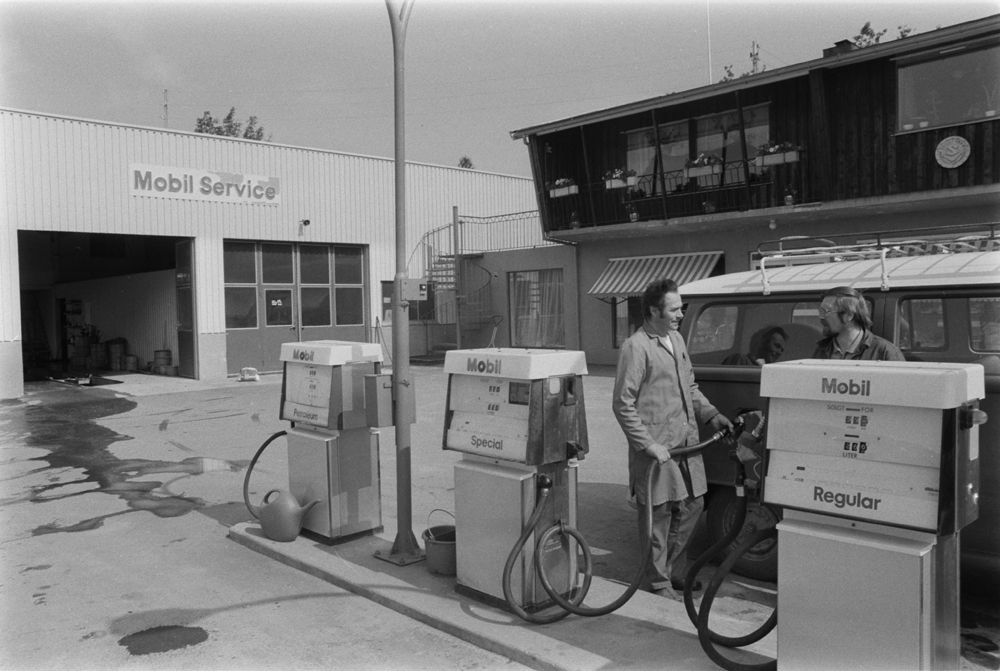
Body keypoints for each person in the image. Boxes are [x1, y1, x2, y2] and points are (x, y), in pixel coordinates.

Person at [612, 278, 733, 598]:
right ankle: (658, 581)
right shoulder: (636, 347)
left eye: (682, 308)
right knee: (659, 514)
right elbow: (622, 403)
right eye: (675, 309)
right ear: (654, 311)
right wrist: (647, 444)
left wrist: (711, 414)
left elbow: (690, 387)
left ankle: (674, 571)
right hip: (656, 448)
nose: (681, 314)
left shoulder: (676, 340)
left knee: (693, 504)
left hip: (686, 441)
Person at [812, 286, 904, 360]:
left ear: (848, 315)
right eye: (821, 311)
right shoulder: (822, 350)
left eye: (826, 311)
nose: (821, 317)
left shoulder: (885, 352)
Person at [722, 325, 788, 366]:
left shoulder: (771, 371)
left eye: (782, 350)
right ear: (763, 342)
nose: (779, 352)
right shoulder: (740, 360)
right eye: (777, 346)